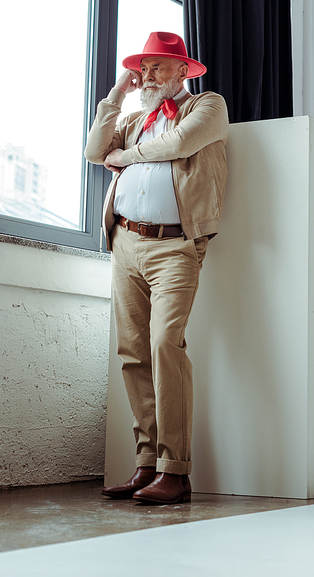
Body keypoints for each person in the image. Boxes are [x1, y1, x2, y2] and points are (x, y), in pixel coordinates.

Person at [84, 31, 228, 504]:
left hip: (175, 247)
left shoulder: (207, 106)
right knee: (133, 352)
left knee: (166, 344)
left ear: (182, 71)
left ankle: (176, 470)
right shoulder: (136, 115)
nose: (146, 75)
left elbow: (181, 144)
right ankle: (146, 464)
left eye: (157, 67)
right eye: (142, 68)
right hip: (125, 242)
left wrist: (126, 156)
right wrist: (115, 96)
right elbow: (92, 151)